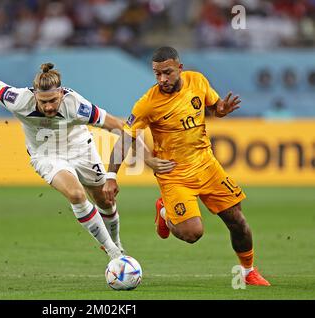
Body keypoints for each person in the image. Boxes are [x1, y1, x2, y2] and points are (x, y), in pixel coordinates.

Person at [103, 46, 271, 286]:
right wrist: (111, 176)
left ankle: (248, 272)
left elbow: (213, 106)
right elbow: (125, 137)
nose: (162, 79)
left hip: (207, 165)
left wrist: (219, 111)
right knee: (192, 234)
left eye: (167, 73)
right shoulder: (148, 104)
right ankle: (165, 211)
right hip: (174, 174)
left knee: (237, 220)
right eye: (157, 74)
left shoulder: (198, 80)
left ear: (180, 69)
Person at [0, 63, 125, 260]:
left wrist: (114, 173)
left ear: (61, 93)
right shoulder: (18, 99)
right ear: (35, 94)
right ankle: (114, 254)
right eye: (43, 102)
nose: (49, 107)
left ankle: (116, 244)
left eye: (53, 100)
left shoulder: (77, 105)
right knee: (76, 195)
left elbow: (119, 127)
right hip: (46, 155)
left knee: (105, 201)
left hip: (80, 148)